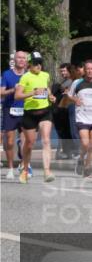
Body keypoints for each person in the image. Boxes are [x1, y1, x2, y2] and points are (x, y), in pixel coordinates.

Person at [14, 52, 57, 182]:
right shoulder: (25, 78)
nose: (38, 65)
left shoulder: (45, 75)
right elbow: (17, 96)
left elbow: (47, 88)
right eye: (35, 63)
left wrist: (51, 96)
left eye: (40, 63)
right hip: (30, 114)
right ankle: (25, 168)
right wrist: (32, 93)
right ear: (29, 64)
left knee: (46, 140)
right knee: (29, 144)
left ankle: (47, 172)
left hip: (45, 112)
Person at [64, 60, 92, 178]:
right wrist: (75, 100)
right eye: (87, 68)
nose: (89, 71)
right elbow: (69, 95)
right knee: (85, 143)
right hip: (82, 116)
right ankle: (81, 159)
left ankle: (87, 168)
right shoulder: (77, 82)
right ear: (84, 70)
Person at [1, 50, 28, 179]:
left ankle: (23, 165)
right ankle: (10, 168)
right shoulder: (7, 74)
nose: (22, 60)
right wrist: (13, 90)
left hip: (26, 111)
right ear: (15, 60)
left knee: (26, 141)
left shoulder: (29, 75)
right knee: (10, 141)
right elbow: (1, 93)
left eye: (24, 58)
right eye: (19, 58)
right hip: (10, 110)